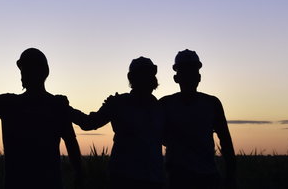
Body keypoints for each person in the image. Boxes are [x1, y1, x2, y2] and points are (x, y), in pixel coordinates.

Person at [0, 48, 83, 189]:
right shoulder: (55, 105)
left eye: (26, 69)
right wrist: (79, 173)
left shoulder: (13, 104)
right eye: (23, 70)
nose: (23, 74)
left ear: (40, 72)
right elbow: (71, 141)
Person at [70, 57, 164, 189]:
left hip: (153, 180)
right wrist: (65, 109)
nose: (149, 78)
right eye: (144, 74)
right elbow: (89, 123)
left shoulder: (160, 108)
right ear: (132, 78)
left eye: (150, 74)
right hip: (124, 179)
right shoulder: (119, 104)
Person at [159, 49, 236, 189]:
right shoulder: (165, 104)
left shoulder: (212, 104)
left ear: (199, 77)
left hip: (205, 177)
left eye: (192, 72)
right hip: (179, 178)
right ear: (176, 78)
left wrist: (231, 176)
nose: (189, 77)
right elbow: (153, 137)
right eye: (185, 72)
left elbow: (226, 141)